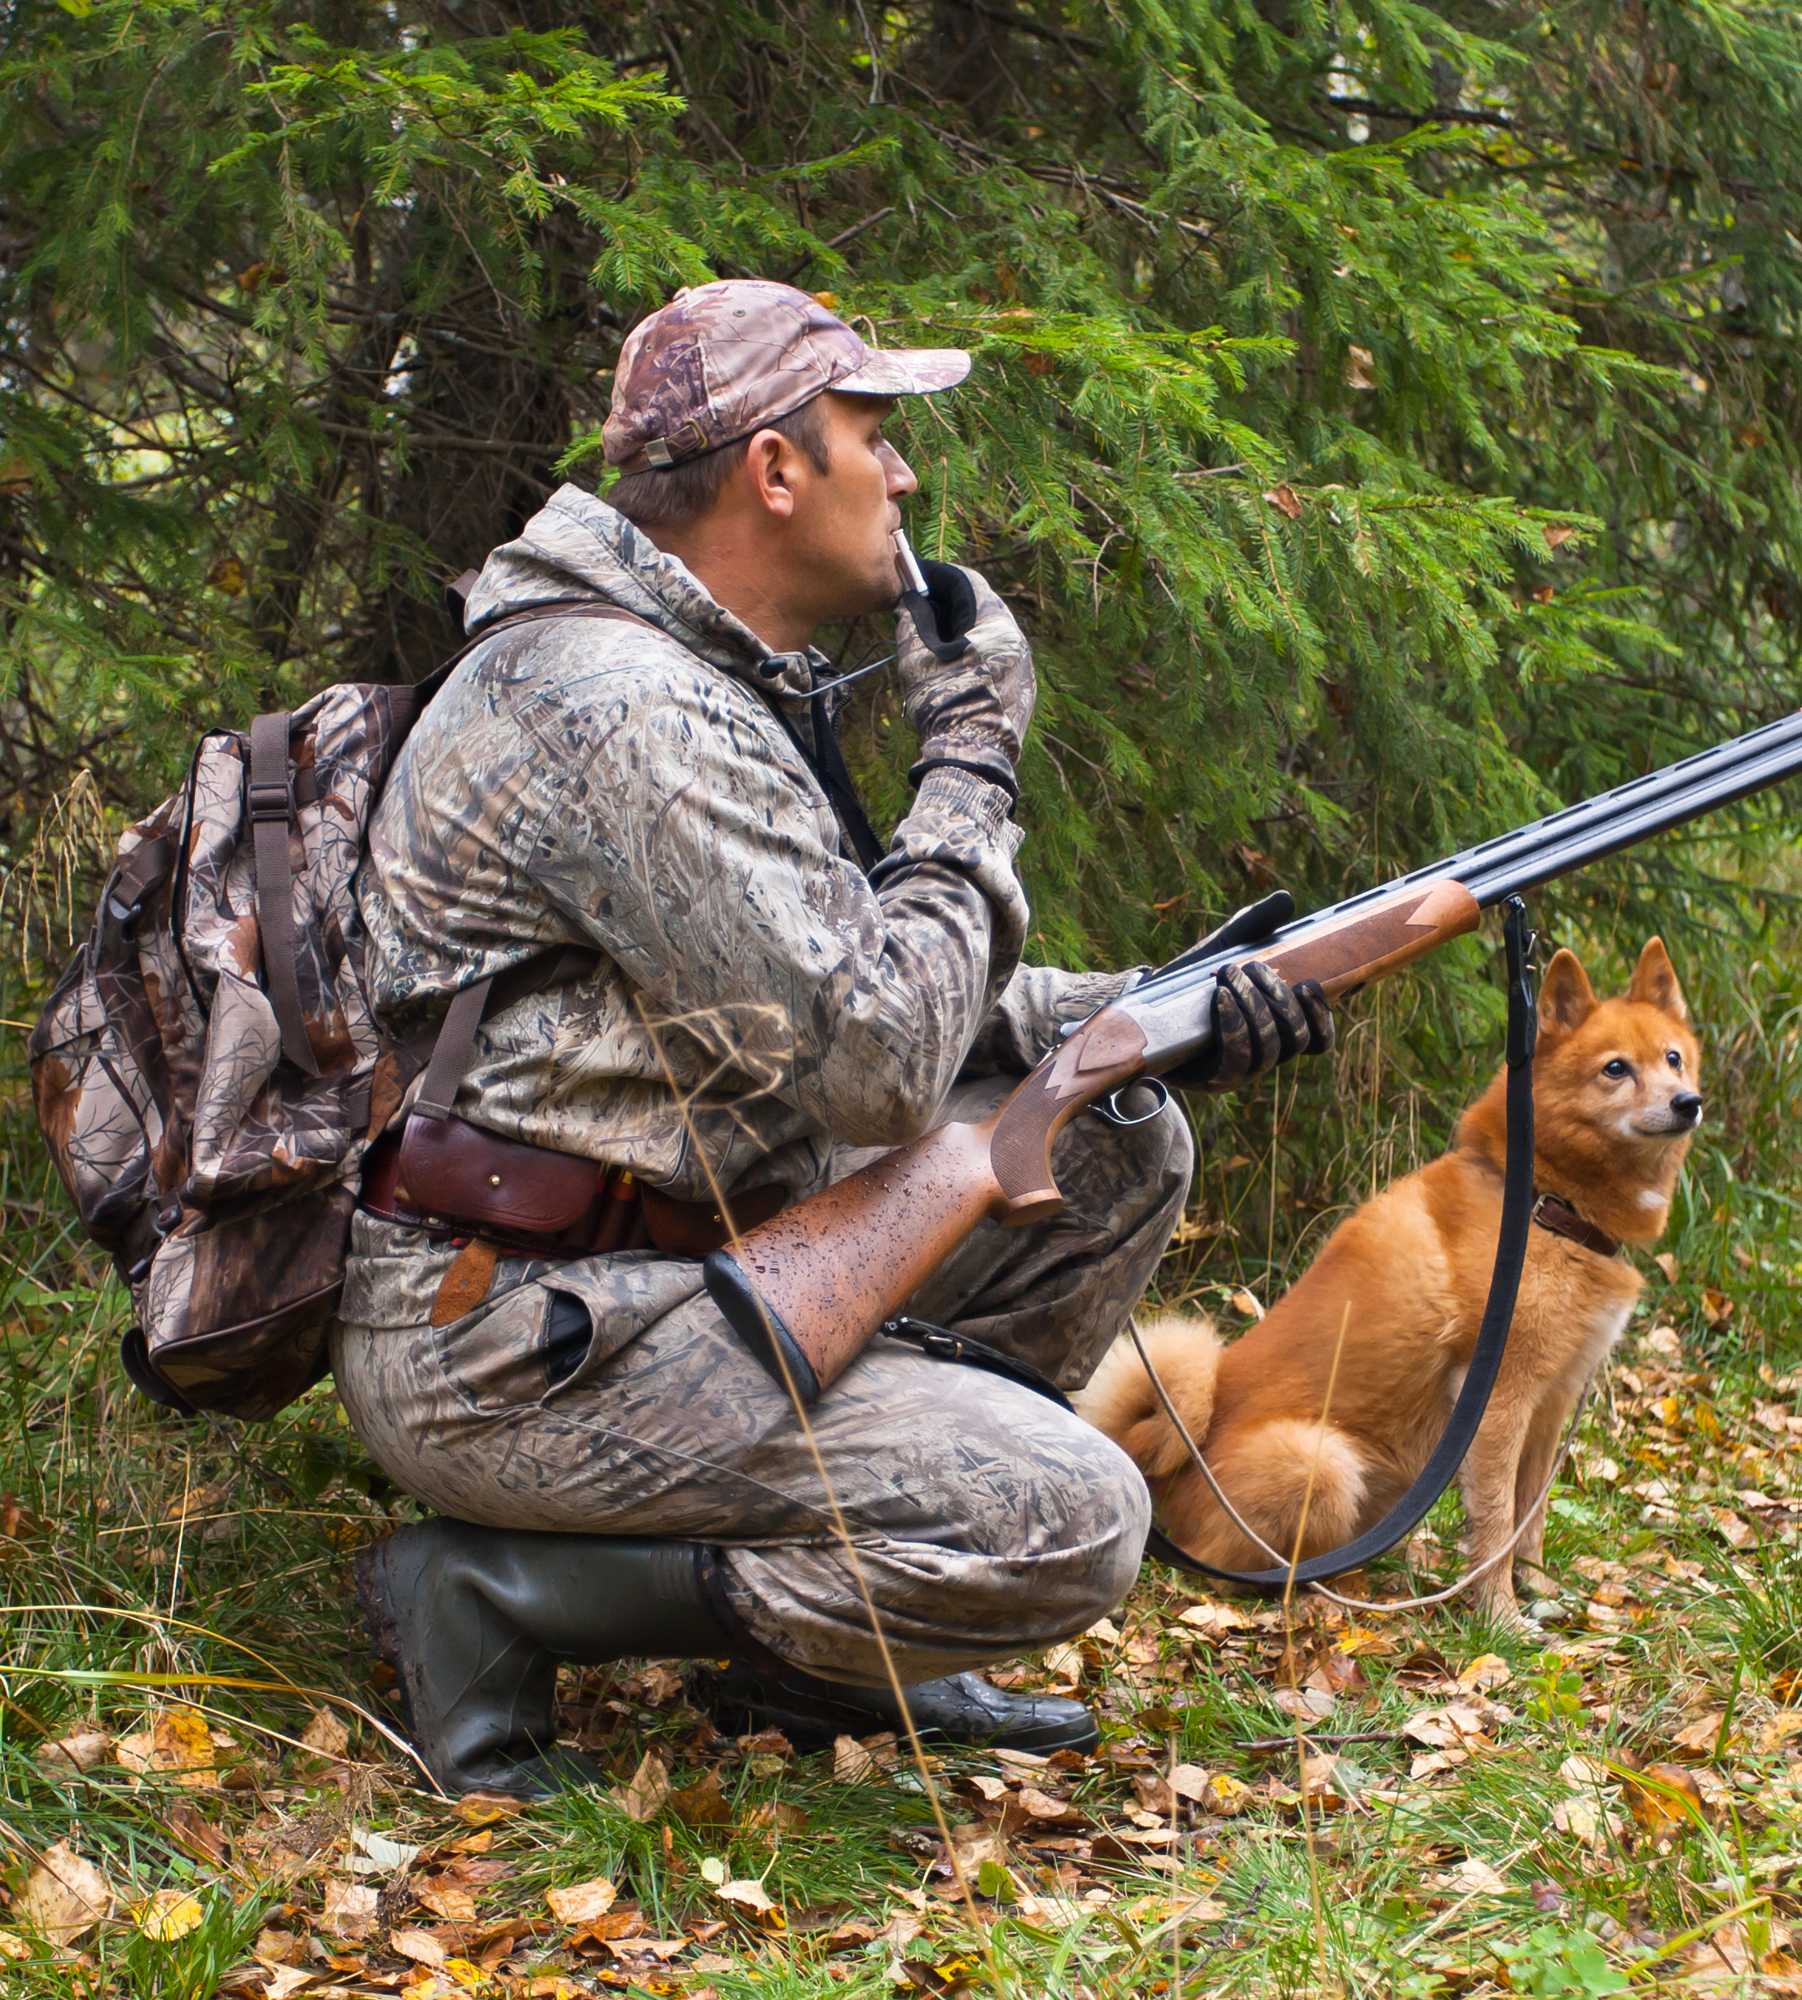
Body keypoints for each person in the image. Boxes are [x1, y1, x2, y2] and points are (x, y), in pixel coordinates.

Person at [337, 278, 1336, 1797]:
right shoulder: (624, 711)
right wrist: (971, 761)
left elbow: (842, 995)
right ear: (776, 471)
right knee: (1070, 1519)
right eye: (877, 432)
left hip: (668, 1266)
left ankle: (838, 1656)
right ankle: (488, 1593)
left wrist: (1162, 1011)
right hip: (517, 1338)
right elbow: (877, 1058)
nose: (908, 473)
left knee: (1122, 1139)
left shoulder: (698, 683)